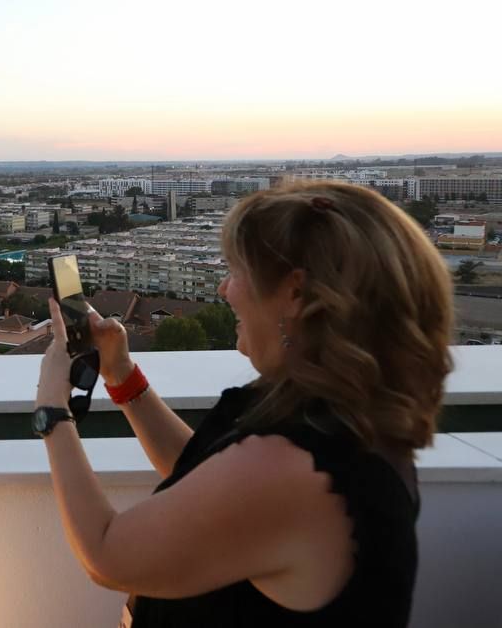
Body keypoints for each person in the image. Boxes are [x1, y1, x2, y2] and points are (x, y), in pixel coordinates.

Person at [34, 181, 453, 627]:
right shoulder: (338, 416)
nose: (222, 290)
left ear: (295, 293)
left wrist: (52, 409)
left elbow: (106, 555)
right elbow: (206, 477)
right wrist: (122, 378)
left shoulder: (295, 465)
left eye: (236, 271)